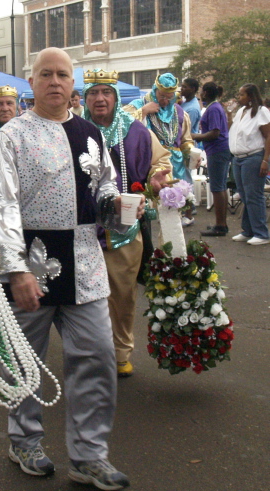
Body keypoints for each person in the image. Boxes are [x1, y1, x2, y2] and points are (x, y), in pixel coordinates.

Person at [0, 48, 140, 491]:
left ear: (75, 84)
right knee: (25, 360)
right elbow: (1, 206)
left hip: (86, 263)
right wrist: (15, 270)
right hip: (32, 262)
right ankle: (24, 440)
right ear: (30, 83)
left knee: (96, 356)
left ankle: (90, 455)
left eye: (63, 75)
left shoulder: (91, 133)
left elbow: (105, 189)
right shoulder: (11, 136)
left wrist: (123, 207)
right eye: (46, 74)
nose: (55, 82)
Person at [82, 69, 171, 378]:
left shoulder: (135, 131)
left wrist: (157, 179)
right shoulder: (75, 130)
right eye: (93, 93)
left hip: (125, 226)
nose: (99, 98)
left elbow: (161, 162)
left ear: (116, 97)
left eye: (106, 92)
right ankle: (93, 353)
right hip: (82, 228)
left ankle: (121, 352)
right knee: (86, 297)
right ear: (85, 98)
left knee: (122, 294)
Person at [125, 73, 195, 226]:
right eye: (162, 96)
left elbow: (185, 140)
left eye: (170, 97)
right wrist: (143, 111)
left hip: (175, 165)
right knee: (148, 210)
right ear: (155, 90)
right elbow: (122, 125)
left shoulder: (179, 112)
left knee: (172, 212)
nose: (165, 100)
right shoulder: (138, 104)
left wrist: (191, 152)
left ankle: (170, 243)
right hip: (151, 161)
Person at [229, 83, 270, 246]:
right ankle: (248, 230)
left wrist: (265, 160)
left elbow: (268, 136)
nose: (239, 98)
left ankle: (261, 233)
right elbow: (231, 131)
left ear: (251, 96)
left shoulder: (262, 112)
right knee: (245, 195)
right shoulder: (241, 112)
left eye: (241, 95)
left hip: (253, 157)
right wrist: (228, 113)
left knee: (254, 195)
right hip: (238, 158)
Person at [192, 82, 232, 236]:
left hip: (218, 150)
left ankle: (221, 225)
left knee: (217, 187)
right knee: (219, 186)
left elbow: (215, 132)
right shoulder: (215, 107)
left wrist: (195, 136)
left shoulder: (214, 108)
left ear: (206, 93)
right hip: (217, 150)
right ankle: (220, 223)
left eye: (202, 91)